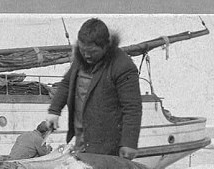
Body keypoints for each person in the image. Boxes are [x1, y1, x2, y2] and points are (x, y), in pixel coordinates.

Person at [45, 18, 142, 159]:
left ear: (106, 46)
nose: (87, 55)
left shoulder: (123, 66)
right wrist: (54, 110)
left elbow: (132, 108)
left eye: (92, 51)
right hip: (81, 138)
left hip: (107, 144)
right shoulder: (81, 58)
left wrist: (129, 143)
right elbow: (66, 84)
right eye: (83, 50)